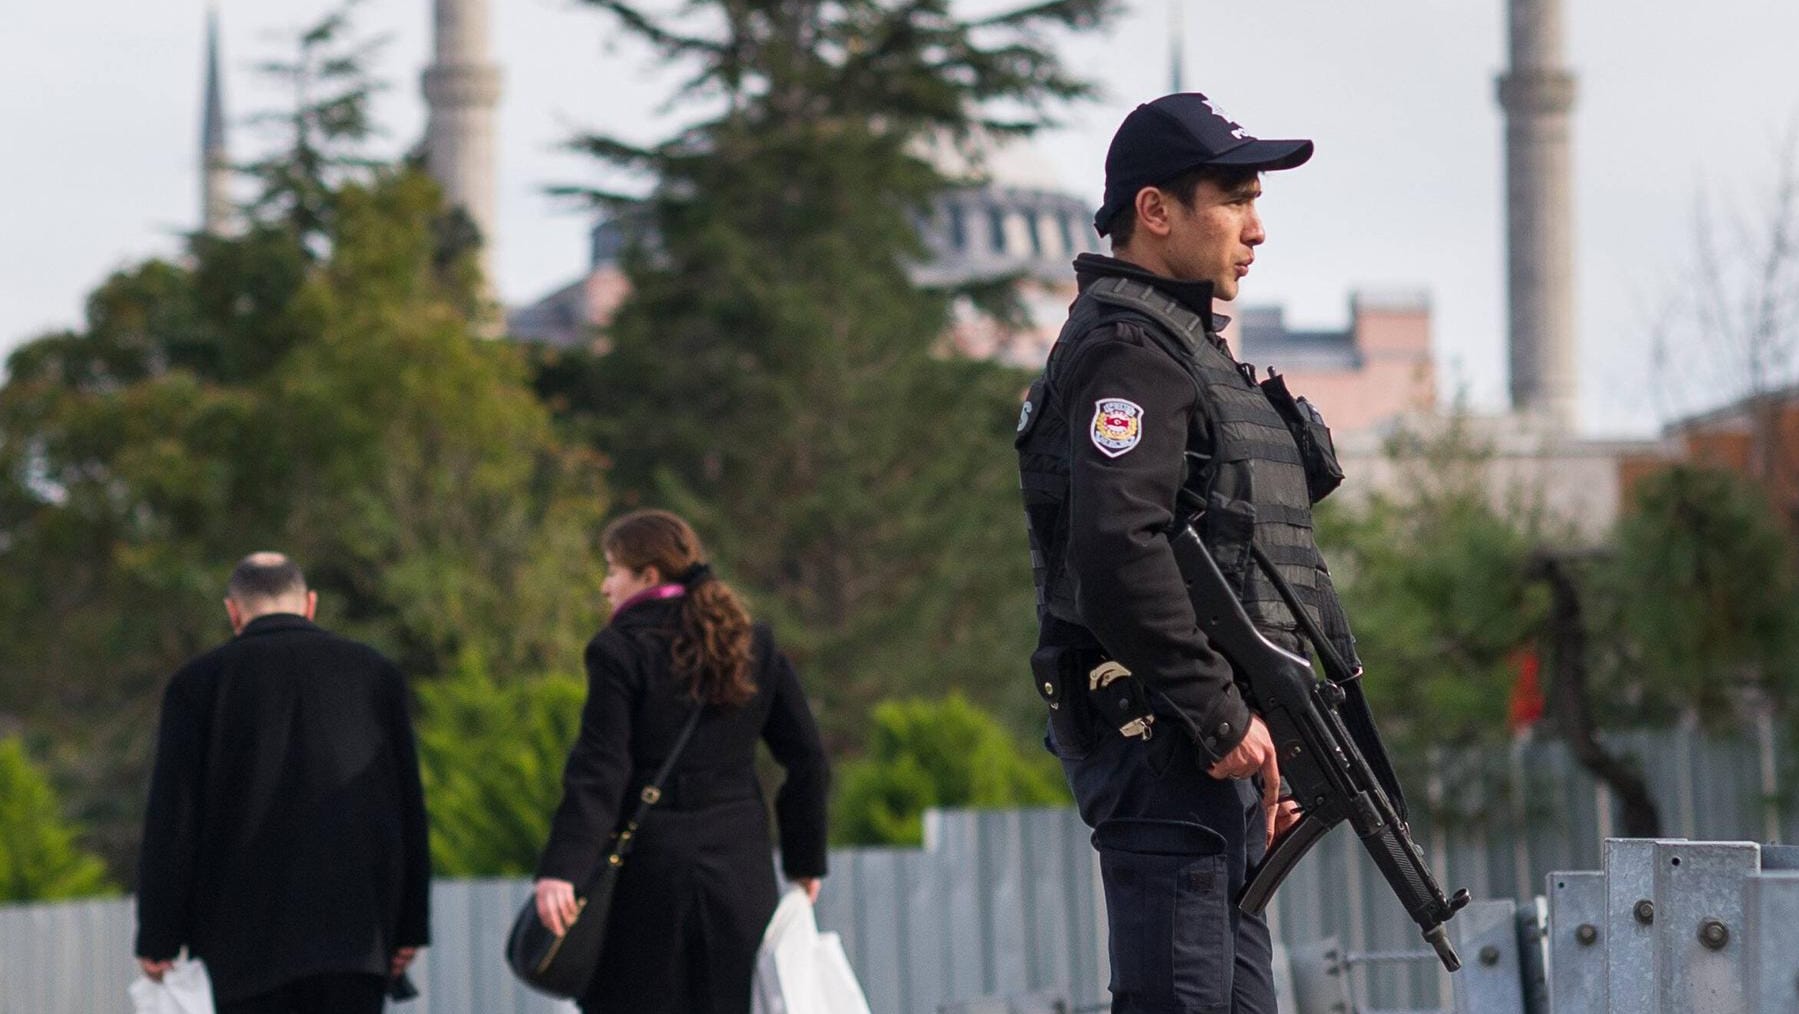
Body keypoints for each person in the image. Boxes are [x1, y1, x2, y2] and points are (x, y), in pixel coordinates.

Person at [1015, 92, 1362, 1012]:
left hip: (1202, 755)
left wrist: (1262, 741)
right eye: (1234, 199)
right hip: (1163, 744)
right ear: (1155, 211)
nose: (1256, 229)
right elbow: (1116, 546)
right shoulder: (1130, 350)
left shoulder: (1177, 345)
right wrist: (1220, 718)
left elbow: (1220, 565)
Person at [533, 509, 830, 1014]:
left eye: (612, 570)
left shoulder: (619, 651)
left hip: (649, 879)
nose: (606, 587)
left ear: (648, 576)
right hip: (738, 877)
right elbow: (807, 759)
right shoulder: (752, 644)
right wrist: (804, 861)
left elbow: (600, 770)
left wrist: (563, 868)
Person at [134, 552, 430, 1013]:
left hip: (239, 950)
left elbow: (173, 819)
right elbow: (407, 806)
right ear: (310, 604)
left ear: (233, 611)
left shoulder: (197, 685)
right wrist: (409, 928)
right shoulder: (375, 675)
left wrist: (158, 934)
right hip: (353, 943)